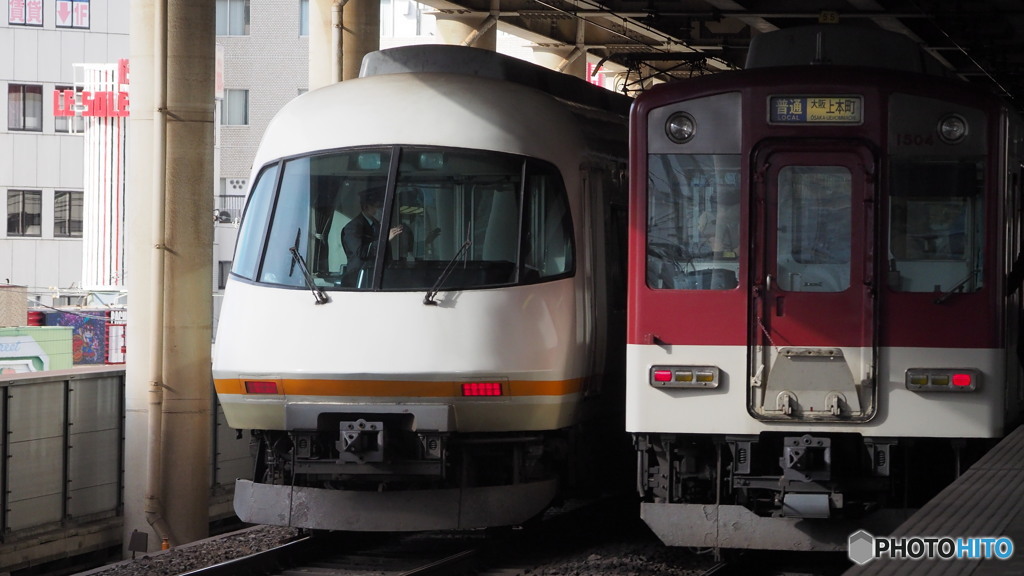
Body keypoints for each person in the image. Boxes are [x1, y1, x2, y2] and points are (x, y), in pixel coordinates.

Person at [340, 186, 406, 286]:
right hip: (358, 281)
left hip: (379, 279)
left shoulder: (378, 225)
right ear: (366, 207)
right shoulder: (353, 227)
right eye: (378, 206)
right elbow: (360, 252)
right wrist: (384, 240)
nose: (381, 210)